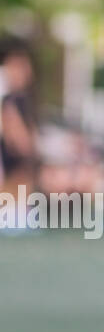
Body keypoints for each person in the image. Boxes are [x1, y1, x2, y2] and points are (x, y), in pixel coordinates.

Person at [0, 36, 41, 205]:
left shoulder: (17, 101)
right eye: (19, 66)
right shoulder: (8, 102)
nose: (26, 71)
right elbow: (23, 145)